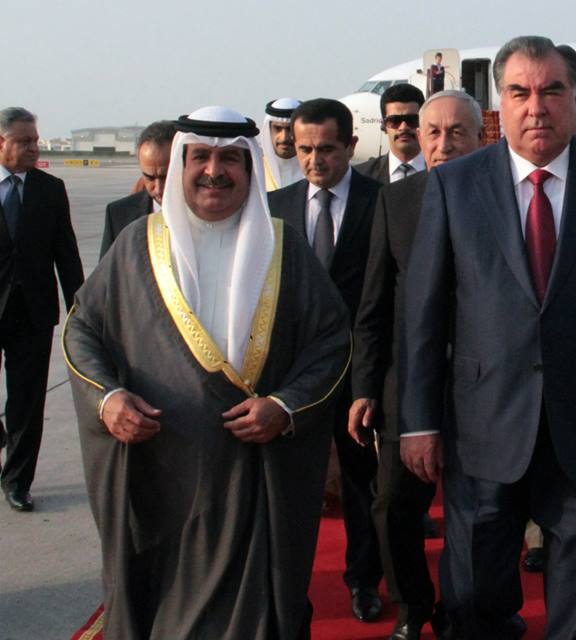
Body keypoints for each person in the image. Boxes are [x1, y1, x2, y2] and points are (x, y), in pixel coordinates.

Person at [400, 36, 576, 638]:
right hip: (481, 423)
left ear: (575, 98)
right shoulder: (455, 186)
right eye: (520, 92)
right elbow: (424, 314)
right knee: (473, 593)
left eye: (552, 90)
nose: (537, 107)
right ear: (500, 102)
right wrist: (418, 421)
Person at [63, 106, 352, 639]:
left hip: (254, 480)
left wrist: (284, 405)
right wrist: (108, 399)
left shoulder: (284, 248)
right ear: (181, 164)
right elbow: (82, 331)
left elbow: (332, 341)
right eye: (200, 157)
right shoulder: (137, 246)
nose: (214, 171)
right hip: (160, 482)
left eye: (230, 160)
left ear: (250, 168)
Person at [349, 89, 485, 640]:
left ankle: (467, 608)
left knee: (481, 514)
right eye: (433, 132)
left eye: (457, 132)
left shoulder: (504, 198)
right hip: (407, 386)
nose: (443, 143)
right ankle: (412, 607)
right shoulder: (396, 202)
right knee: (392, 507)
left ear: (481, 137)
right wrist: (364, 387)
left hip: (483, 386)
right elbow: (374, 305)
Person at [267, 98, 385, 623]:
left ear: (351, 146)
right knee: (292, 490)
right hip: (293, 377)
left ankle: (365, 580)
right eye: (305, 149)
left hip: (359, 371)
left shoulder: (382, 203)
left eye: (327, 149)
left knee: (362, 486)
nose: (315, 160)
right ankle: (287, 590)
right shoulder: (274, 207)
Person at [0, 107, 84, 512]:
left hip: (32, 312)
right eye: (24, 141)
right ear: (1, 142)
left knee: (27, 402)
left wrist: (79, 310)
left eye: (35, 140)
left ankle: (17, 481)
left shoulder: (50, 189)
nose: (34, 148)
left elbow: (66, 253)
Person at [100, 120, 175, 258]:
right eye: (149, 177)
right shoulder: (118, 215)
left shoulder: (210, 212)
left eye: (166, 177)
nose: (158, 189)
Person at [355, 84, 426, 184]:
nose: (403, 127)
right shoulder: (360, 177)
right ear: (383, 125)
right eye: (394, 120)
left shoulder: (442, 175)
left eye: (412, 120)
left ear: (424, 122)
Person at [261, 97, 303, 191]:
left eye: (290, 129)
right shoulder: (255, 170)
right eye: (277, 128)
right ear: (268, 130)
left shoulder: (315, 170)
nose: (284, 138)